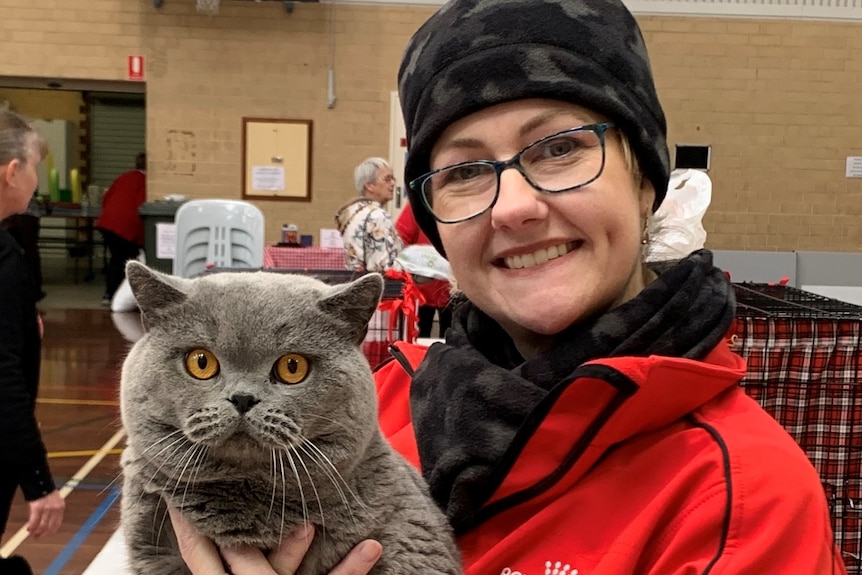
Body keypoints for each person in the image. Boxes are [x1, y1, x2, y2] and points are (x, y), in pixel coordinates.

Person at [171, 0, 849, 572]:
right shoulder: (374, 402)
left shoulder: (741, 498)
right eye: (464, 171)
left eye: (559, 148)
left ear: (645, 179)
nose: (513, 206)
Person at [0, 110, 66, 575]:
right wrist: (40, 482)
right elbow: (3, 380)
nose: (36, 182)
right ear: (11, 171)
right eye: (35, 168)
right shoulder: (5, 260)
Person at [334, 157, 403, 273]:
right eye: (387, 179)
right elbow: (384, 267)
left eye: (393, 179)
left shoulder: (353, 213)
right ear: (369, 186)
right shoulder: (378, 216)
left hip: (354, 284)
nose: (393, 183)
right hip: (379, 287)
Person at [95, 152, 146, 305]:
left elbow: (106, 197)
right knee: (124, 260)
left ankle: (110, 294)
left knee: (117, 258)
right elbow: (142, 208)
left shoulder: (124, 177)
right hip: (126, 226)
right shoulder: (145, 181)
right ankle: (115, 295)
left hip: (108, 222)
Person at [395, 204, 452, 338]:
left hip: (453, 287)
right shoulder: (417, 205)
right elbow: (401, 239)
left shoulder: (458, 203)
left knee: (452, 337)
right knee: (420, 334)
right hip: (421, 288)